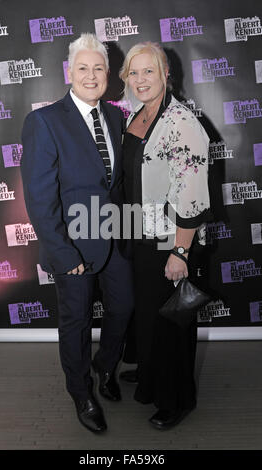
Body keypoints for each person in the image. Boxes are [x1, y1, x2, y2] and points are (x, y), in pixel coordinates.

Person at [20, 33, 134, 434]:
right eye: (83, 68)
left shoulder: (118, 116)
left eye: (98, 68)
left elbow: (114, 184)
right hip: (73, 247)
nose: (91, 76)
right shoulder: (44, 121)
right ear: (70, 72)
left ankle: (105, 369)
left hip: (115, 241)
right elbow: (39, 198)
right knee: (77, 323)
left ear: (108, 74)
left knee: (123, 309)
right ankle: (81, 391)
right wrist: (64, 255)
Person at [119, 42, 211, 429]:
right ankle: (152, 376)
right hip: (141, 236)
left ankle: (176, 399)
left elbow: (191, 194)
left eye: (148, 71)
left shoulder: (181, 122)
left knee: (173, 323)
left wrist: (180, 252)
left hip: (172, 241)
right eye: (133, 73)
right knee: (150, 316)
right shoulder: (138, 115)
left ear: (165, 74)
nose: (141, 80)